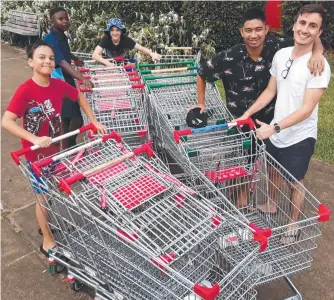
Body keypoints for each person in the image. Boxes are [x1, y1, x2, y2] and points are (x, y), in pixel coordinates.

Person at [194, 7, 324, 207]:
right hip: (241, 120)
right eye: (248, 30)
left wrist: (318, 53)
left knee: (272, 166)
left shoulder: (278, 47)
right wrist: (200, 103)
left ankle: (268, 204)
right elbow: (202, 73)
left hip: (271, 120)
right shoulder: (230, 56)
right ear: (241, 32)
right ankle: (241, 200)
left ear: (266, 29)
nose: (253, 35)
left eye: (258, 29)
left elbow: (309, 36)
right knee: (242, 162)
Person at [234, 4, 331, 243]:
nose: (305, 29)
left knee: (295, 182)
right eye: (302, 23)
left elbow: (307, 109)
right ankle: (270, 205)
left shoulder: (319, 66)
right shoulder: (281, 54)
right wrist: (246, 113)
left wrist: (273, 127)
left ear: (319, 32)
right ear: (294, 24)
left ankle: (293, 224)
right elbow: (270, 91)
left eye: (312, 26)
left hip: (299, 135)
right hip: (276, 131)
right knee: (273, 170)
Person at [2, 40, 107, 257]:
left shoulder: (58, 85)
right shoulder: (25, 91)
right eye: (42, 57)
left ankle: (47, 222)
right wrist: (34, 138)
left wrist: (94, 121)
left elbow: (78, 96)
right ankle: (47, 240)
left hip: (55, 152)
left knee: (51, 193)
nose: (47, 61)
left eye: (51, 58)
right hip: (35, 158)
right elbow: (7, 121)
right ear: (30, 62)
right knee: (42, 197)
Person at [44, 7, 94, 149]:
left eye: (66, 18)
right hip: (59, 81)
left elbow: (65, 53)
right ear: (52, 21)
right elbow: (62, 62)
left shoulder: (61, 35)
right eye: (61, 19)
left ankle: (67, 145)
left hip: (66, 80)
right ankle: (68, 146)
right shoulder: (51, 40)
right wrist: (82, 78)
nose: (65, 21)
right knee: (75, 118)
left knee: (66, 119)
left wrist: (75, 58)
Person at [92, 18, 161, 66]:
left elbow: (141, 48)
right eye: (112, 30)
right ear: (109, 31)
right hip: (109, 65)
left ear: (121, 31)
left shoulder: (126, 39)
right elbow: (95, 55)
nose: (115, 33)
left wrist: (152, 54)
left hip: (124, 65)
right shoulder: (106, 38)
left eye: (117, 30)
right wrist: (107, 63)